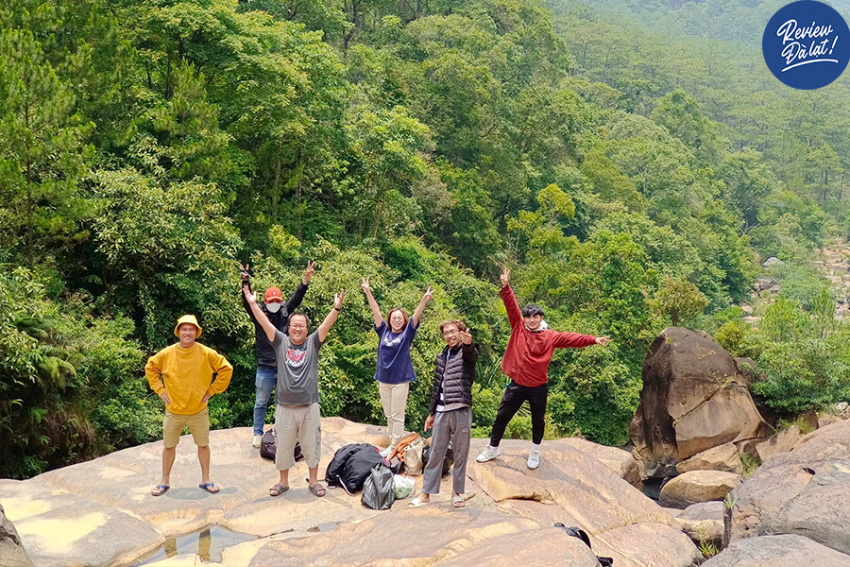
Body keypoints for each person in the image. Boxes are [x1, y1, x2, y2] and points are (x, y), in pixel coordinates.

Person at [477, 269, 611, 469]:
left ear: (541, 318)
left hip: (538, 386)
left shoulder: (550, 336)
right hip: (516, 384)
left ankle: (535, 452)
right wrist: (506, 286)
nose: (532, 320)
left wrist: (593, 339)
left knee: (537, 421)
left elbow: (572, 338)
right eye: (529, 317)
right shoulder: (518, 326)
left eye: (535, 317)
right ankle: (493, 447)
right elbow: (511, 306)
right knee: (502, 417)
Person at [243, 285, 345, 498]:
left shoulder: (313, 343)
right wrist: (252, 303)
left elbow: (326, 325)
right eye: (294, 325)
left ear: (307, 329)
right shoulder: (280, 341)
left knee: (312, 444)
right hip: (284, 406)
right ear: (288, 328)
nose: (297, 328)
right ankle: (283, 482)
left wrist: (336, 309)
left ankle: (313, 481)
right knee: (283, 446)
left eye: (302, 326)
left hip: (309, 405)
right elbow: (263, 322)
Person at [146, 314, 233, 496]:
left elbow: (226, 368)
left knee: (203, 444)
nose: (187, 333)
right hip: (174, 410)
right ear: (178, 332)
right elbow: (150, 368)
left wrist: (212, 390)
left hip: (198, 410)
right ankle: (164, 481)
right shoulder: (167, 353)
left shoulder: (205, 352)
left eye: (191, 329)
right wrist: (160, 390)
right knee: (169, 446)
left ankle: (206, 479)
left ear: (196, 332)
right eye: (184, 329)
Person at [241, 261, 316, 448]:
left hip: (284, 367)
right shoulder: (259, 314)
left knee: (283, 403)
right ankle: (257, 433)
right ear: (265, 302)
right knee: (260, 402)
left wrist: (305, 280)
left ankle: (278, 430)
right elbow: (247, 301)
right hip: (265, 366)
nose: (274, 304)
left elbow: (296, 298)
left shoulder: (285, 312)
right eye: (271, 301)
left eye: (277, 301)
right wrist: (245, 281)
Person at [360, 278, 434, 457]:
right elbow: (376, 310)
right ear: (390, 320)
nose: (396, 321)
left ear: (404, 321)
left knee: (397, 414)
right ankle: (394, 443)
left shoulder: (407, 334)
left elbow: (416, 317)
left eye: (400, 318)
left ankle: (394, 446)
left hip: (400, 380)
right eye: (394, 318)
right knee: (389, 414)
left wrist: (424, 300)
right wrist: (368, 291)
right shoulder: (383, 331)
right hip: (383, 379)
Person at [410, 320, 478, 508]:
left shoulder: (466, 352)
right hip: (441, 411)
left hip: (461, 409)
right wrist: (431, 412)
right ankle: (426, 494)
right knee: (435, 453)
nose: (449, 335)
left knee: (460, 453)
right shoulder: (441, 356)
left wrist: (469, 343)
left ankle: (456, 493)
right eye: (446, 333)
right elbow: (436, 386)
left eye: (453, 331)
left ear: (461, 332)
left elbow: (472, 354)